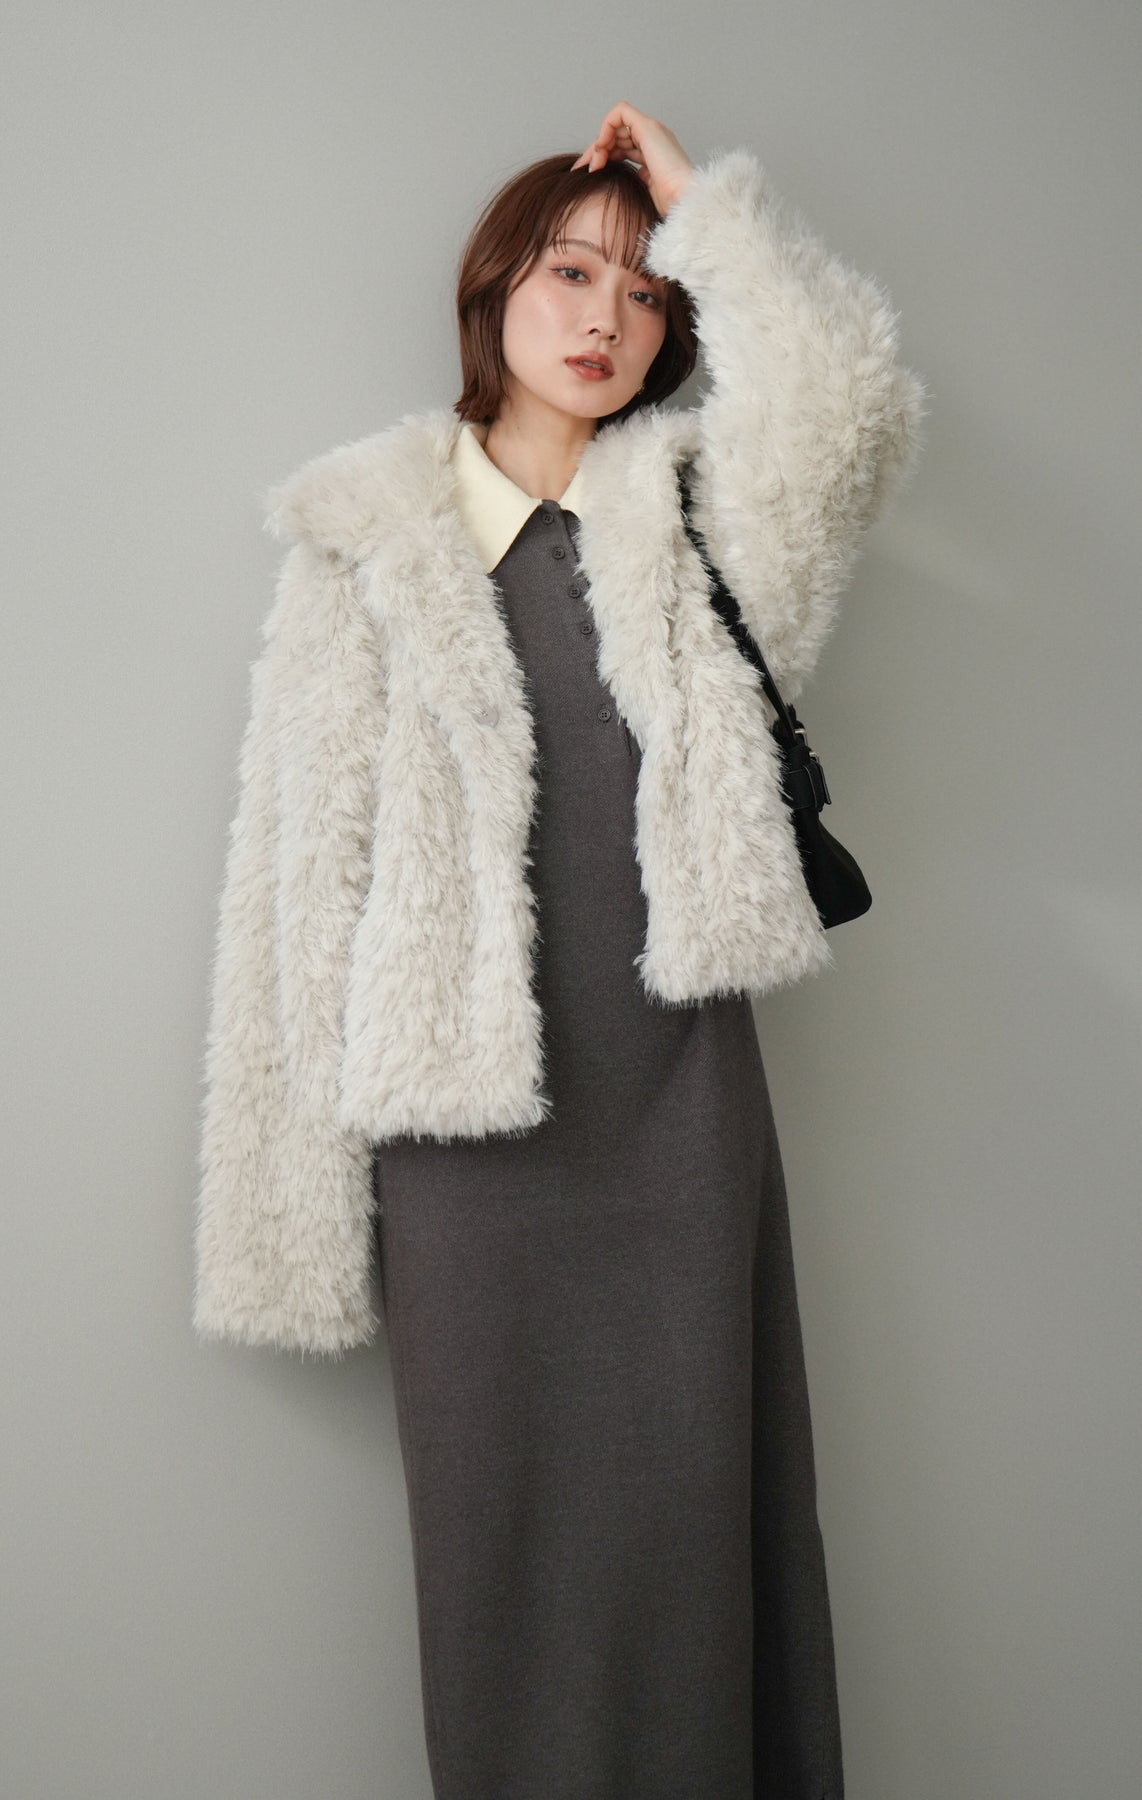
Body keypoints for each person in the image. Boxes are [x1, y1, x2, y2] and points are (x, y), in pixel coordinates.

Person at [194, 101, 927, 1799]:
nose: (607, 316)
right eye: (570, 272)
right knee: (500, 1569)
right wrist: (290, 1219)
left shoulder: (690, 526)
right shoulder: (365, 544)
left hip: (676, 1112)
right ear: (493, 291)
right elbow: (294, 886)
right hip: (462, 1143)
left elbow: (846, 409)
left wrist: (697, 203)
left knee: (702, 1541)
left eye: (646, 291)